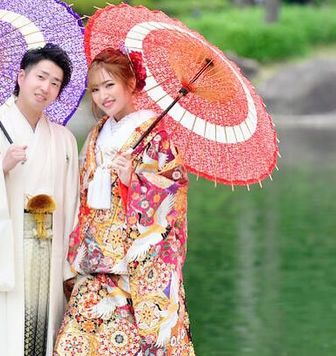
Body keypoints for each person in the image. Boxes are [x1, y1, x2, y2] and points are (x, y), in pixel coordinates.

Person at [54, 48, 196, 355]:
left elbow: (174, 191)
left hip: (136, 263)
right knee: (73, 345)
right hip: (95, 258)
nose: (102, 96)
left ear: (130, 83)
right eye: (95, 89)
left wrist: (135, 181)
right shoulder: (96, 134)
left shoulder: (155, 135)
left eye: (109, 85)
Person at [0, 43, 79, 356]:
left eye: (55, 83)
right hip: (8, 248)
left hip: (49, 250)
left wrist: (71, 266)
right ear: (21, 77)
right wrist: (2, 167)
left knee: (41, 336)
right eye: (41, 77)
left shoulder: (64, 139)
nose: (46, 87)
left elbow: (73, 202)